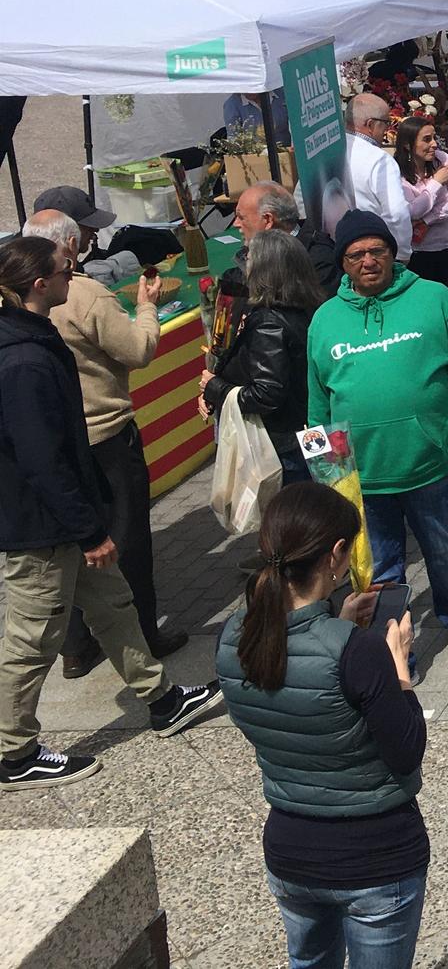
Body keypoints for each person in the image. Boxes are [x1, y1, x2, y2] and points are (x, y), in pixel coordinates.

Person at [0, 235, 223, 790]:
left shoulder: (30, 334)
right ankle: (13, 752)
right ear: (39, 285)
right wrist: (86, 528)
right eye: (62, 270)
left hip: (63, 516)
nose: (70, 273)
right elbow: (42, 460)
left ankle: (163, 700)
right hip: (42, 527)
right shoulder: (23, 360)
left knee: (114, 606)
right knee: (32, 638)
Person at [215, 482, 428, 967]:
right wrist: (397, 668)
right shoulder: (360, 652)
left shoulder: (233, 637)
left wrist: (336, 619)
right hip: (376, 855)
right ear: (336, 555)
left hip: (290, 852)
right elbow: (407, 749)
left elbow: (294, 682)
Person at [308, 211, 448, 657]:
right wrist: (327, 473)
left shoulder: (434, 299)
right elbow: (318, 402)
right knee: (378, 569)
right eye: (356, 254)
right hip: (362, 474)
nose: (368, 260)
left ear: (393, 253)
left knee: (446, 550)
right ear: (343, 262)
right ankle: (395, 651)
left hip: (428, 462)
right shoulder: (324, 320)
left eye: (377, 250)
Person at [15, 206, 174, 680]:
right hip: (106, 436)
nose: (86, 244)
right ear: (67, 247)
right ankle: (145, 635)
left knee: (75, 547)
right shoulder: (83, 293)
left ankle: (78, 648)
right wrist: (147, 306)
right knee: (127, 539)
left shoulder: (15, 308)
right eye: (82, 237)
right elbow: (138, 351)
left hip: (59, 443)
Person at [200, 229, 317, 487]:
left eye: (250, 259)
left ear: (266, 269)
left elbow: (266, 393)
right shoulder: (306, 310)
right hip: (302, 437)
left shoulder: (268, 321)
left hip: (281, 447)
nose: (245, 267)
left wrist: (216, 388)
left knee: (288, 521)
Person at [392, 119, 448, 301]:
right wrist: (437, 182)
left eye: (434, 137)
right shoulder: (396, 173)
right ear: (408, 145)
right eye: (426, 139)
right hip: (419, 254)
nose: (433, 144)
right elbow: (413, 211)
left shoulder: (444, 160)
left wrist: (426, 221)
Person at [232, 182, 339, 297]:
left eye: (241, 217)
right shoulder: (252, 253)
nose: (235, 224)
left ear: (268, 220)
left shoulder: (318, 262)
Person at [338, 94, 412, 256]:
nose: (387, 129)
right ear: (370, 125)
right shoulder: (379, 159)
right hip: (372, 252)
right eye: (386, 123)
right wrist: (401, 254)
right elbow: (396, 214)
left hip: (335, 247)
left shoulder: (328, 150)